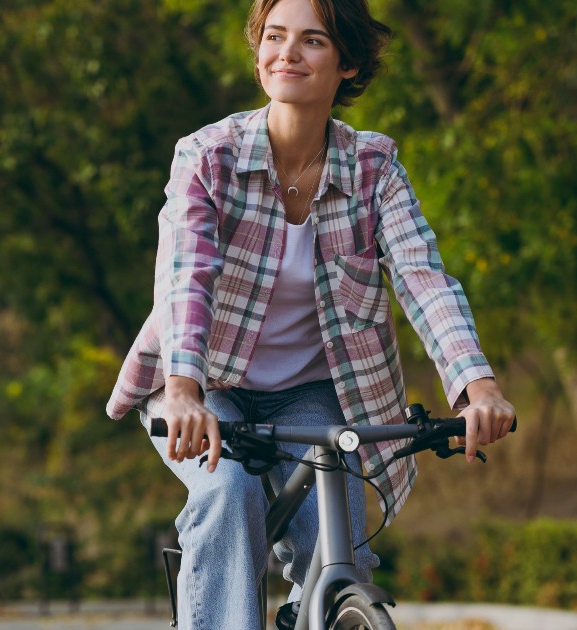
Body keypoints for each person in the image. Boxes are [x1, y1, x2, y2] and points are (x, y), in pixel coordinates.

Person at [104, 0, 517, 627]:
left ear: (347, 63)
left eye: (312, 41)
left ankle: (320, 611)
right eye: (274, 36)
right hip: (207, 385)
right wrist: (184, 390)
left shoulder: (374, 167)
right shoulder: (208, 157)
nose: (287, 53)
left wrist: (476, 385)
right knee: (228, 495)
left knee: (340, 540)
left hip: (311, 396)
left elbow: (422, 277)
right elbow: (186, 278)